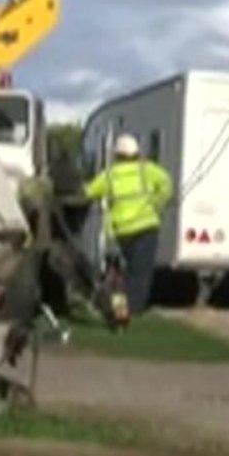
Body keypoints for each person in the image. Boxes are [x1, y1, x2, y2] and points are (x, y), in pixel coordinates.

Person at [84, 133, 173, 319]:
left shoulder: (108, 175)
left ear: (117, 155)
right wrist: (157, 204)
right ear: (136, 153)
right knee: (141, 271)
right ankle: (135, 309)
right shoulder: (148, 170)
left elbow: (89, 192)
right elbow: (167, 184)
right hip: (147, 226)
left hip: (122, 230)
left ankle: (121, 306)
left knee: (125, 270)